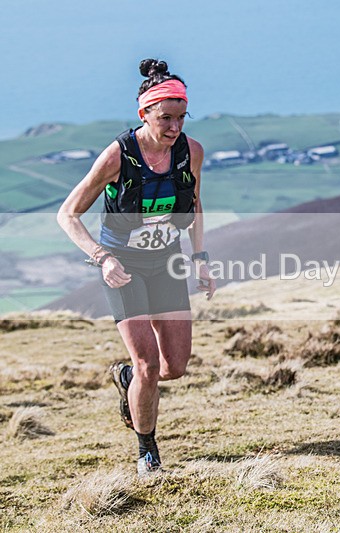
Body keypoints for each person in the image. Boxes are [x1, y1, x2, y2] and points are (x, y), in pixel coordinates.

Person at [57, 59, 215, 476]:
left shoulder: (191, 151)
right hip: (123, 266)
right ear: (143, 113)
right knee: (148, 363)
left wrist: (199, 258)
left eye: (181, 118)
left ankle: (128, 381)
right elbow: (68, 214)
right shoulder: (118, 155)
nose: (175, 127)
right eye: (166, 118)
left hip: (167, 263)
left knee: (174, 367)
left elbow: (194, 204)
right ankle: (147, 449)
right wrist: (102, 257)